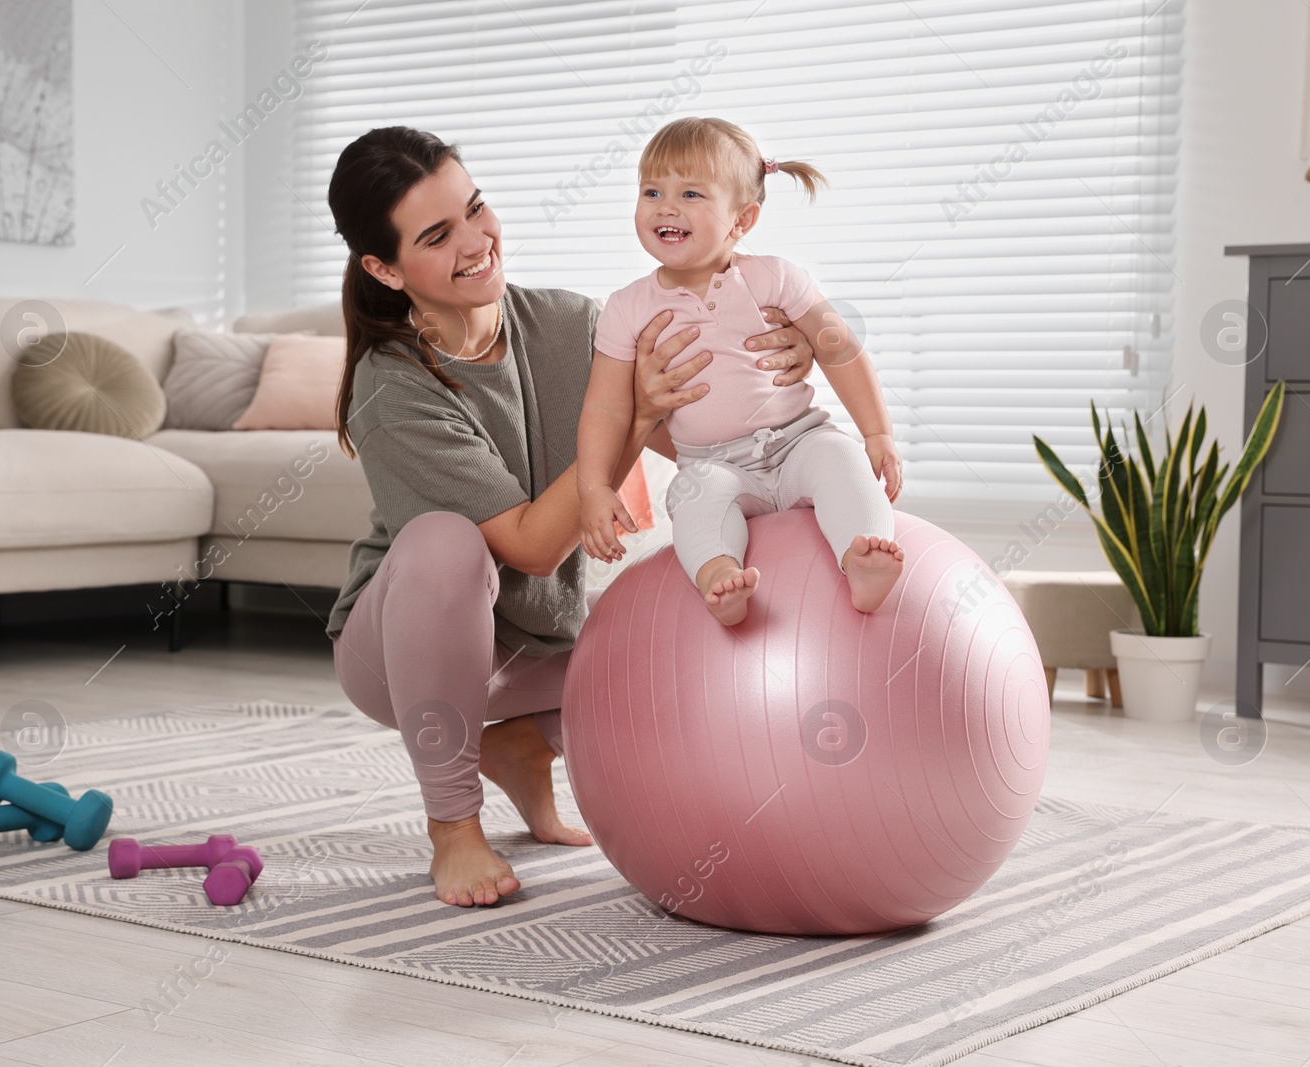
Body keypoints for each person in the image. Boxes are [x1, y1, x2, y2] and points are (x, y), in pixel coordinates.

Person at [324, 126, 820, 907]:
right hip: (398, 654)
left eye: (476, 209)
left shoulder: (570, 322)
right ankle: (453, 827)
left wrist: (785, 355)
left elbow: (703, 434)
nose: (476, 241)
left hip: (536, 646)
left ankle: (520, 744)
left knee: (696, 612)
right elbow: (529, 544)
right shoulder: (391, 390)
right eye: (436, 235)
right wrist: (630, 420)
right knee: (446, 542)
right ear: (384, 269)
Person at [577, 117, 905, 627]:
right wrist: (595, 488)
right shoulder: (626, 308)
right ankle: (719, 578)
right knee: (693, 502)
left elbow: (840, 350)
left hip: (799, 439)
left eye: (690, 193)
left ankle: (860, 558)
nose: (666, 206)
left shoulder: (776, 277)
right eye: (651, 190)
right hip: (710, 462)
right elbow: (603, 406)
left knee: (842, 462)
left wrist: (876, 432)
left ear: (742, 220)